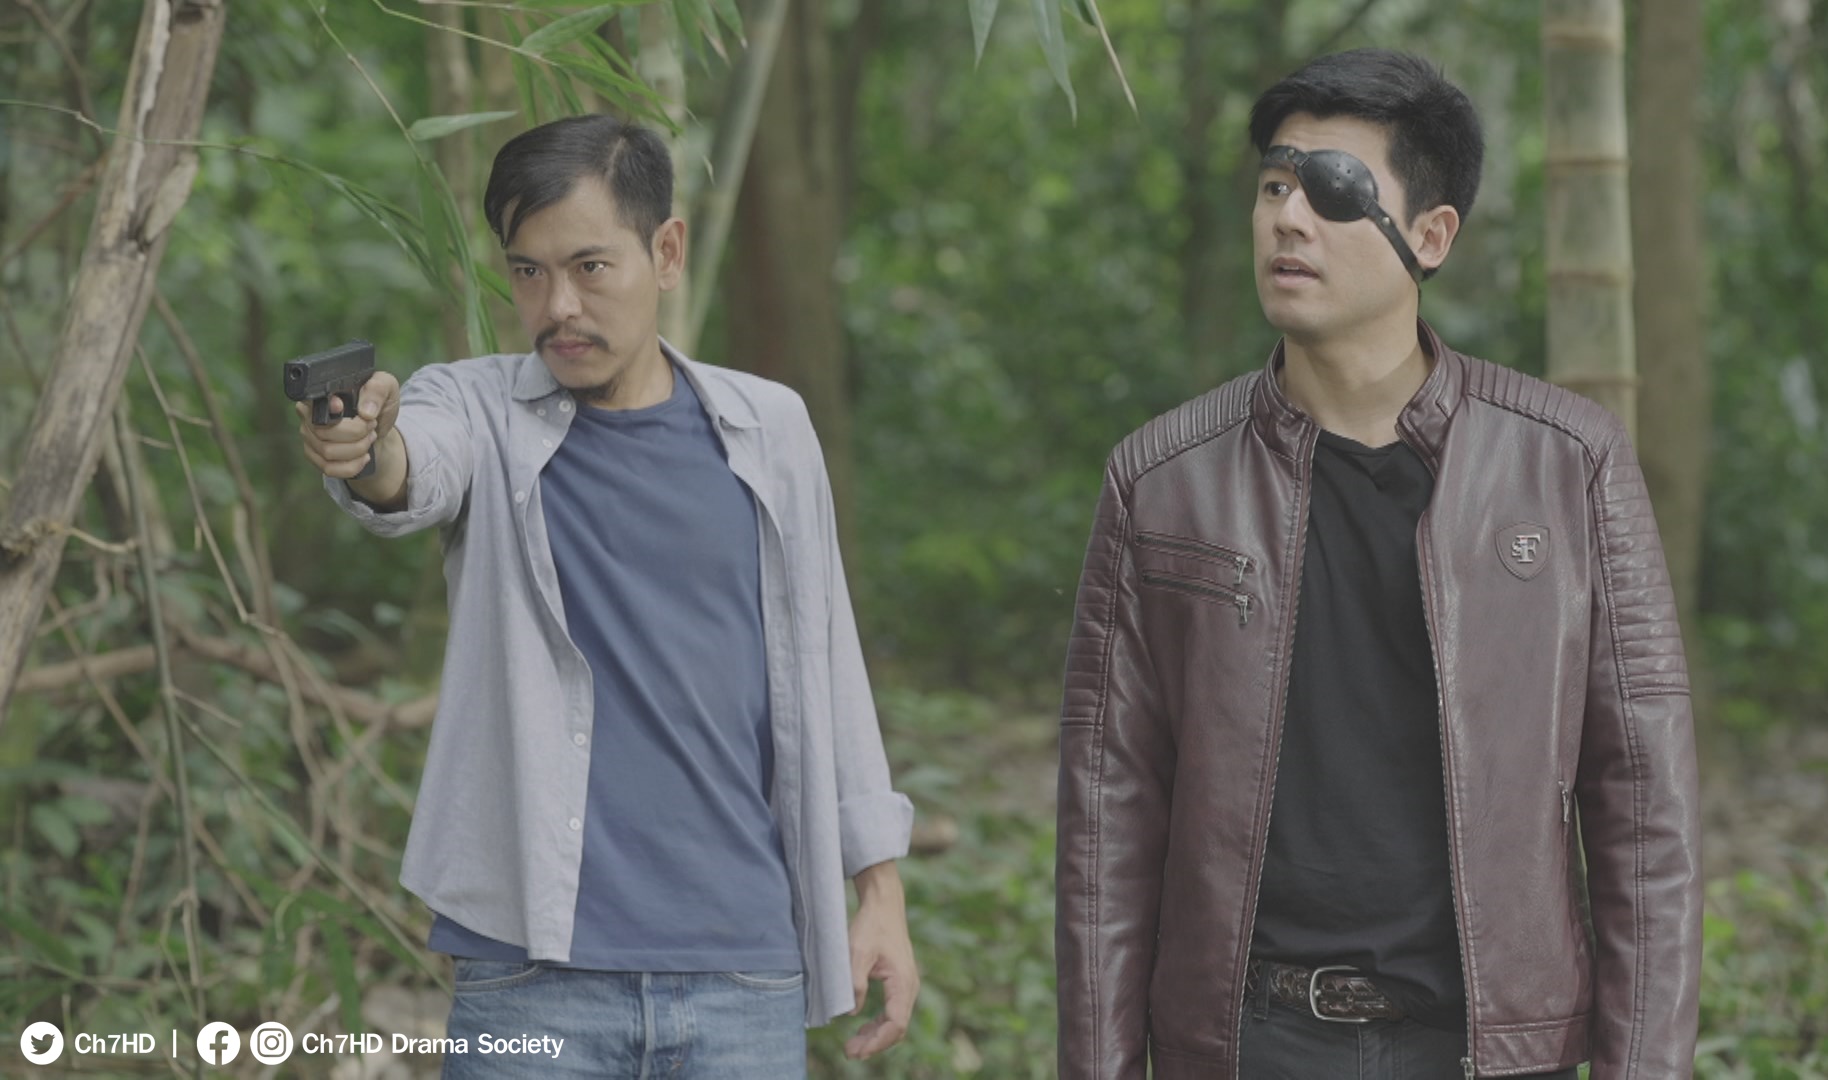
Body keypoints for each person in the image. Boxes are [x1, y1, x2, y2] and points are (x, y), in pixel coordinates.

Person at [1055, 49, 1700, 1080]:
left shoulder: (1568, 464)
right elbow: (1108, 815)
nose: (1289, 218)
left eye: (1331, 190)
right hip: (1246, 1041)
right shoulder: (1163, 481)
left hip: (1490, 1046)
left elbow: (1645, 810)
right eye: (1275, 185)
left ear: (1431, 236)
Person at [295, 115, 918, 1078]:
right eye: (528, 272)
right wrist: (366, 449)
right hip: (530, 972)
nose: (558, 308)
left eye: (590, 267)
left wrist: (880, 891)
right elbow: (408, 469)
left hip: (743, 972)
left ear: (666, 252)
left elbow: (828, 664)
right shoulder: (479, 409)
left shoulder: (771, 429)